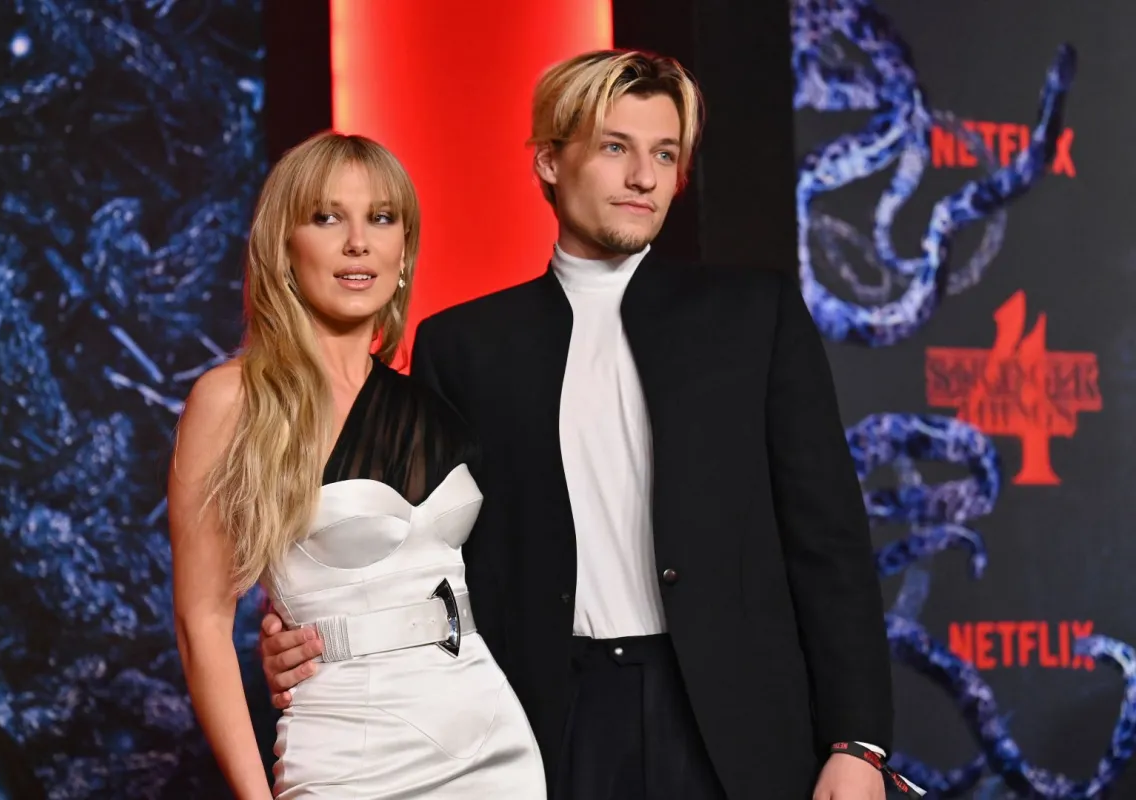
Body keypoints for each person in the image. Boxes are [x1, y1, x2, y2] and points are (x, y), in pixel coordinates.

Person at [259, 51, 899, 799]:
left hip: (736, 719)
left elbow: (828, 539)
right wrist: (304, 636)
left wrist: (858, 741)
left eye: (665, 153)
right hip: (538, 723)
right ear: (550, 162)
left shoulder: (754, 317)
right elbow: (420, 551)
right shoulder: (464, 346)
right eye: (615, 148)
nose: (644, 177)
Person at [168, 132, 545, 799]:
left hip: (491, 741)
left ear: (403, 247)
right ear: (284, 244)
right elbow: (202, 622)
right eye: (326, 217)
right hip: (346, 755)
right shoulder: (232, 401)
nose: (358, 242)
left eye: (381, 217)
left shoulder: (435, 398)